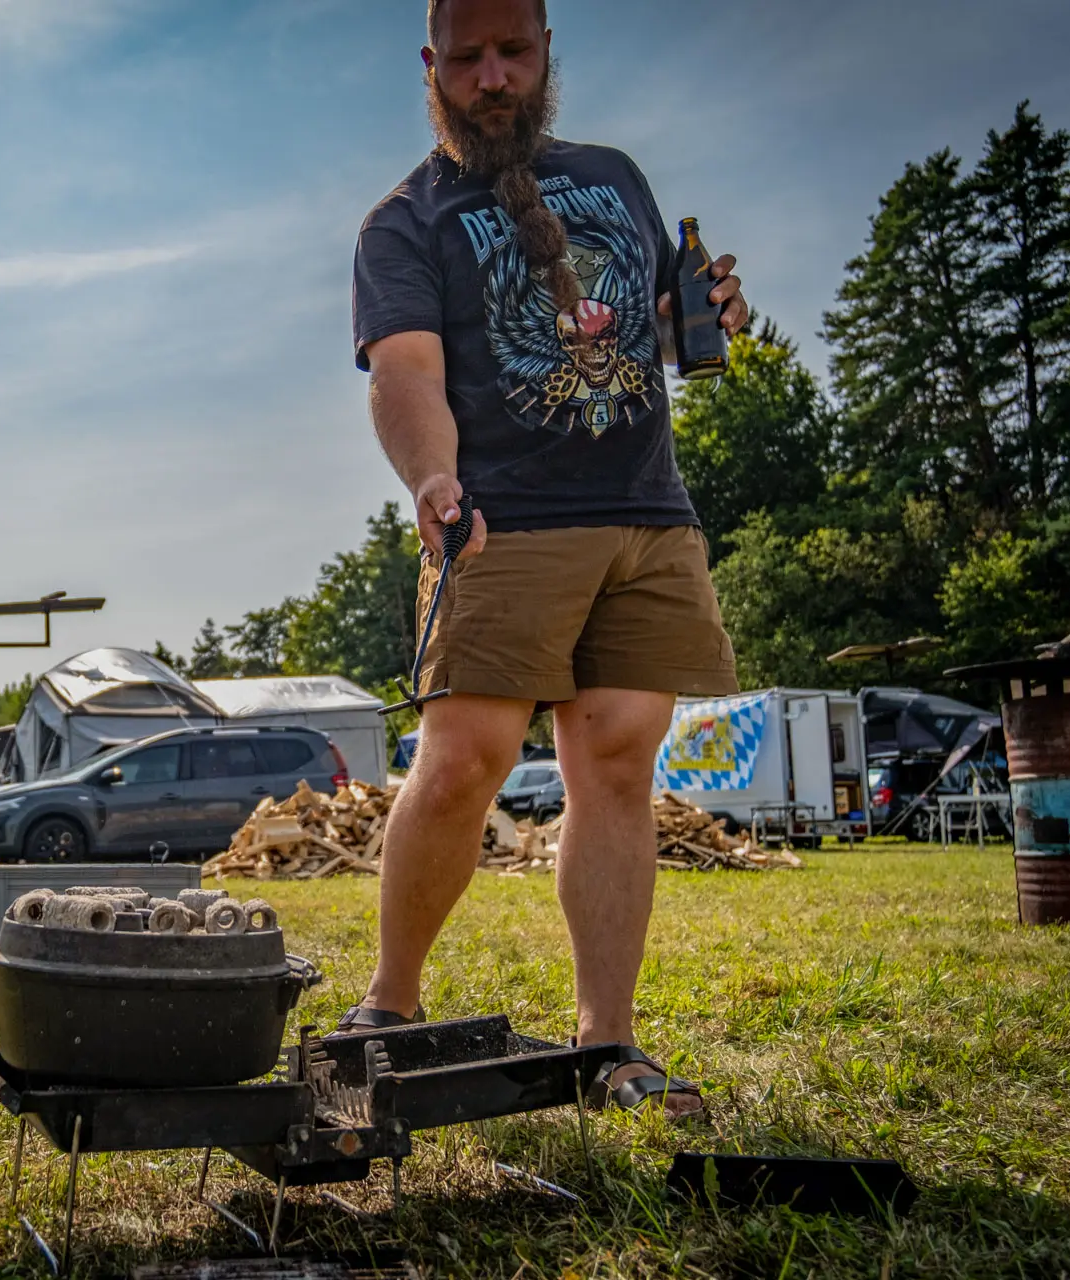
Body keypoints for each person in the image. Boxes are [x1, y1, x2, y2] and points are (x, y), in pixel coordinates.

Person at [346, 0, 750, 1119]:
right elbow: (406, 377)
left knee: (619, 758)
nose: (493, 79)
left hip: (644, 512)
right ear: (432, 67)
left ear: (545, 55)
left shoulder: (614, 175)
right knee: (467, 754)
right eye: (467, 58)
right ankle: (389, 1001)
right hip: (503, 517)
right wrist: (432, 479)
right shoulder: (406, 220)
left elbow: (656, 326)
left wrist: (708, 311)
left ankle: (606, 1043)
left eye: (512, 53)